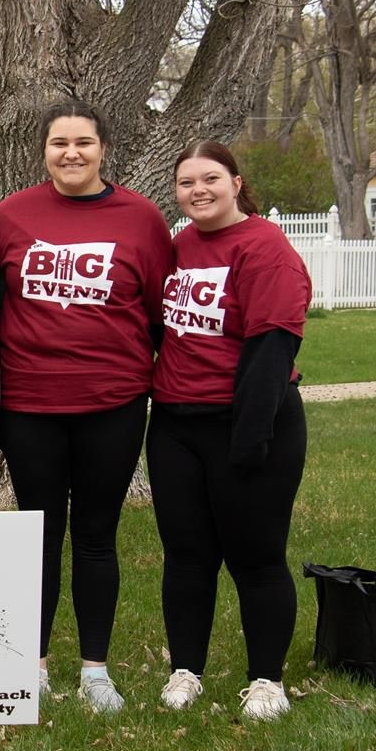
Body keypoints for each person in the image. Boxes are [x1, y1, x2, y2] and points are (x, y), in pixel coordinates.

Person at [0, 101, 172, 712]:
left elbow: (157, 315)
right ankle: (33, 665)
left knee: (97, 536)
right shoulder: (12, 215)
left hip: (112, 404)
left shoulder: (141, 219)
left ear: (103, 149)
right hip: (31, 403)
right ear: (44, 150)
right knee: (37, 536)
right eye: (60, 143)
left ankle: (96, 670)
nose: (72, 153)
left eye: (84, 143)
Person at [147, 140, 311, 721]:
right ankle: (185, 671)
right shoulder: (181, 245)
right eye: (187, 181)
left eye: (211, 178)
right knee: (187, 556)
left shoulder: (265, 248)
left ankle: (267, 680)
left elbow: (271, 350)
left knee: (256, 557)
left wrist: (249, 440)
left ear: (237, 183)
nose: (199, 190)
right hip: (175, 425)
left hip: (249, 423)